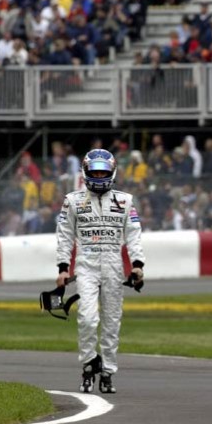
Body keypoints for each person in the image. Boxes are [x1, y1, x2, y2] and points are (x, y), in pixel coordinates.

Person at [56, 149, 145, 394]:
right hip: (86, 265)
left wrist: (137, 265)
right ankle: (88, 365)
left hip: (114, 267)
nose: (98, 175)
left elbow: (134, 236)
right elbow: (64, 237)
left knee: (111, 322)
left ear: (112, 172)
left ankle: (107, 372)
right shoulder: (72, 200)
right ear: (85, 171)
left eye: (102, 172)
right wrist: (63, 268)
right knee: (86, 318)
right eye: (94, 171)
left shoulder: (126, 200)